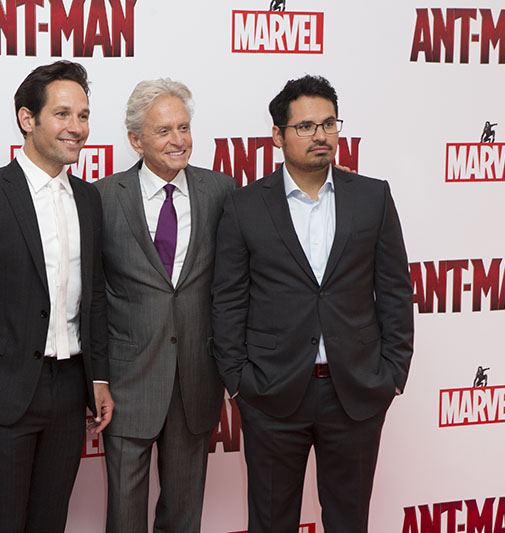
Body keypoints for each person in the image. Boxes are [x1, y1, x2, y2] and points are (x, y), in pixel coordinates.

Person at [211, 74, 414, 532]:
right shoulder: (244, 206)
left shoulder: (373, 197)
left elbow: (396, 291)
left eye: (328, 123)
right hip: (272, 395)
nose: (320, 135)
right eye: (305, 126)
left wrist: (392, 374)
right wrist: (239, 382)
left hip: (356, 394)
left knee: (349, 522)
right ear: (277, 135)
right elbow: (228, 300)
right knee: (271, 522)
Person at [0, 60, 113, 533]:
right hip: (0, 393)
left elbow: (94, 296)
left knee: (50, 522)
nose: (77, 127)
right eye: (62, 114)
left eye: (83, 115)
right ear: (27, 119)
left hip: (69, 391)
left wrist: (99, 377)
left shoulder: (89, 198)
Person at [94, 78, 236, 533]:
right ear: (136, 140)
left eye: (184, 127)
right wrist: (97, 376)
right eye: (163, 131)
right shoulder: (102, 197)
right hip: (127, 382)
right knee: (124, 516)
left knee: (184, 515)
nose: (178, 140)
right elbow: (92, 295)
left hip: (196, 379)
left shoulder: (222, 192)